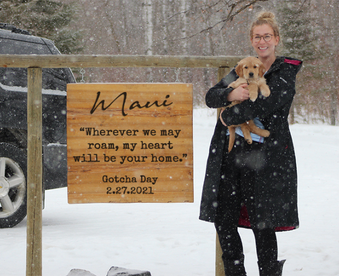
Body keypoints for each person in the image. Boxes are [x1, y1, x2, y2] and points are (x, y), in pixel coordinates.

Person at [199, 11, 302, 276]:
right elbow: (211, 97)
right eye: (257, 37)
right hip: (231, 153)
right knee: (224, 218)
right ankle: (235, 273)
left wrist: (228, 115)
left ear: (276, 39)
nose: (262, 41)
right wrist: (230, 93)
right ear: (252, 40)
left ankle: (268, 271)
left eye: (267, 36)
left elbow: (268, 105)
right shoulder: (243, 66)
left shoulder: (284, 71)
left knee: (262, 222)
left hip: (265, 157)